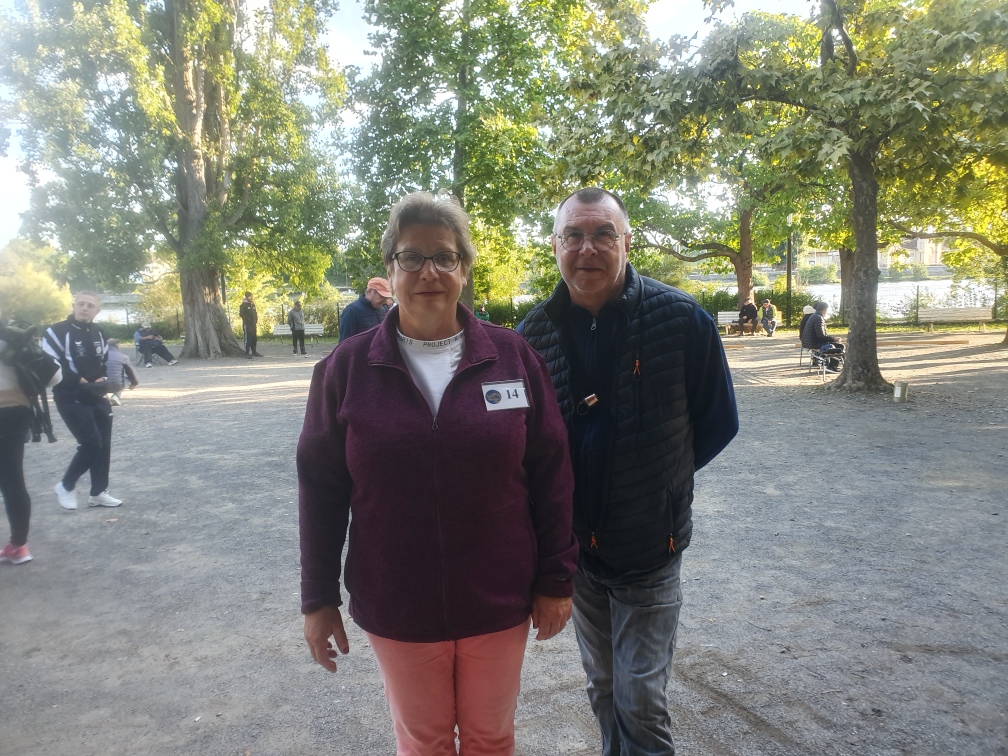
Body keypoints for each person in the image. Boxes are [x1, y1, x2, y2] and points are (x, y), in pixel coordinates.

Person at [298, 191, 578, 756]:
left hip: (497, 598)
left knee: (490, 738)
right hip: (398, 600)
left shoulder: (513, 357)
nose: (429, 271)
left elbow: (552, 473)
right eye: (412, 257)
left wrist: (556, 580)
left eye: (445, 257)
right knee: (423, 742)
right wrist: (317, 598)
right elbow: (322, 490)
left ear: (464, 269)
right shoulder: (345, 370)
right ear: (390, 270)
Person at [520, 187, 738, 755]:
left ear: (626, 241)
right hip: (578, 552)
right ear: (555, 245)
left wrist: (658, 486)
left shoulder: (681, 319)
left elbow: (718, 421)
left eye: (602, 234)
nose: (587, 247)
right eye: (574, 234)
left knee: (639, 696)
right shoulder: (532, 336)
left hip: (649, 544)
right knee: (602, 686)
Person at [43, 291, 123, 510]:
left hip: (96, 394)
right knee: (91, 443)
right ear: (73, 306)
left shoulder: (98, 331)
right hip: (70, 396)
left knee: (104, 444)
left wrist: (101, 379)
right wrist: (81, 381)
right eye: (81, 304)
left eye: (90, 305)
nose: (85, 308)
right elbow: (52, 363)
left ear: (97, 310)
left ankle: (98, 492)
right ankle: (66, 485)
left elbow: (105, 360)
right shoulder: (55, 331)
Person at [0, 316, 61, 564]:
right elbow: (55, 376)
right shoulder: (15, 338)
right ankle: (19, 545)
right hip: (16, 413)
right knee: (13, 480)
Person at [337, 277, 392, 342]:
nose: (385, 301)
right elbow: (344, 344)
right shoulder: (351, 311)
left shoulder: (384, 309)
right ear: (370, 292)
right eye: (382, 297)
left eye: (386, 298)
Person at [801, 301, 845, 372]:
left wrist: (832, 339)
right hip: (814, 343)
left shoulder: (814, 316)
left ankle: (831, 365)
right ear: (825, 309)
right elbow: (821, 335)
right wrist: (834, 339)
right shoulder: (818, 318)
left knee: (838, 345)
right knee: (840, 347)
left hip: (810, 342)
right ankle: (832, 366)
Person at [104, 338, 139, 406]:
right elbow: (131, 371)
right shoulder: (123, 357)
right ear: (117, 345)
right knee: (125, 378)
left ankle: (104, 396)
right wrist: (134, 383)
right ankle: (116, 396)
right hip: (116, 385)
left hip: (101, 385)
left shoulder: (100, 356)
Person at [239, 292, 262, 357]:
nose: (251, 297)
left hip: (253, 324)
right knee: (248, 337)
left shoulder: (252, 304)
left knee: (254, 337)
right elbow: (241, 314)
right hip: (247, 324)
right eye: (250, 296)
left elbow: (255, 313)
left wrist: (256, 319)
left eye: (252, 296)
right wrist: (248, 320)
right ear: (247, 297)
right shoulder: (243, 305)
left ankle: (254, 351)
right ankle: (246, 352)